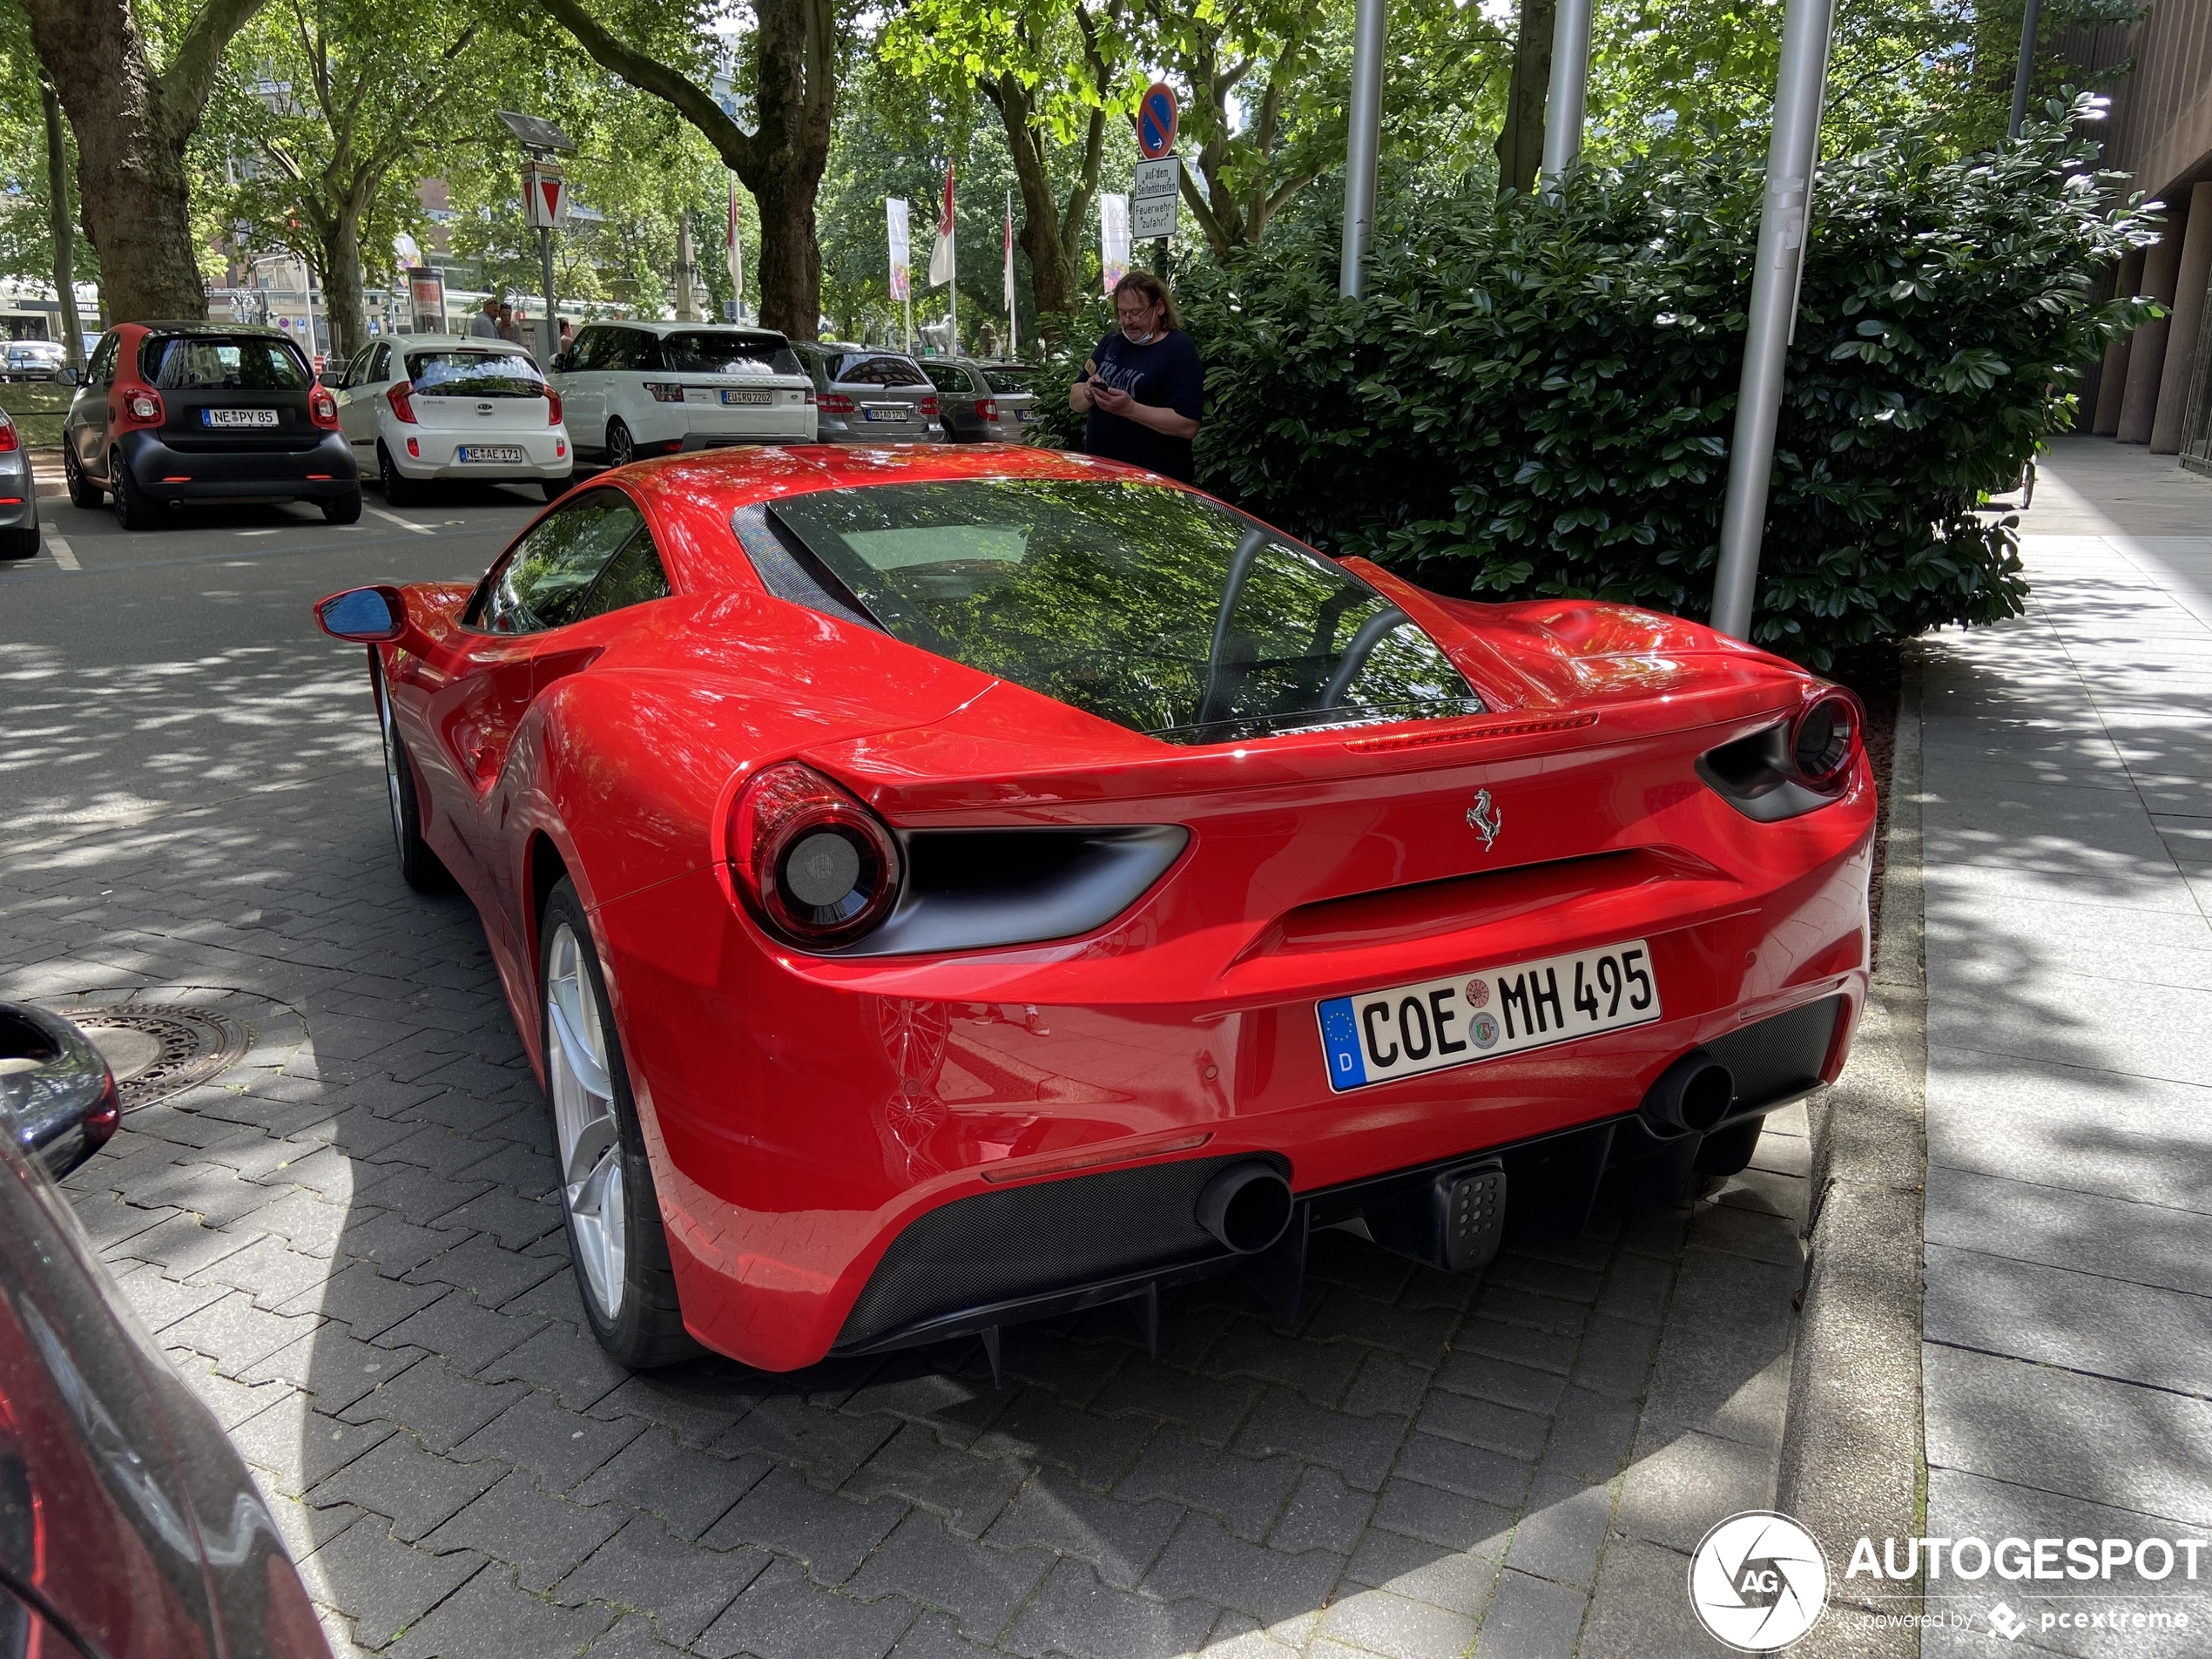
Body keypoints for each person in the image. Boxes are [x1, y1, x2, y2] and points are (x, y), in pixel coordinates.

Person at [1069, 271, 1204, 482]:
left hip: (1154, 483)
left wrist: (1130, 409)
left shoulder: (1179, 350)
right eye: (1122, 313)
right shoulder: (1112, 341)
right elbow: (1075, 399)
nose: (1128, 321)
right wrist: (1088, 392)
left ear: (1159, 308)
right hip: (1102, 476)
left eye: (1136, 313)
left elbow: (1188, 426)